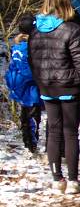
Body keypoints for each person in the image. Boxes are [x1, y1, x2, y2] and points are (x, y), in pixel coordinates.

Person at [28, 0, 80, 194]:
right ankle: (73, 180)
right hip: (69, 87)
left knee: (54, 132)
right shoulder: (72, 29)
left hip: (47, 88)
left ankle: (57, 179)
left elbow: (32, 62)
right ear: (66, 1)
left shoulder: (34, 31)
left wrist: (41, 83)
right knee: (69, 133)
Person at [5, 13, 42, 153]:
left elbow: (12, 68)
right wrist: (41, 78)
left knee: (25, 116)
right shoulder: (29, 48)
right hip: (29, 89)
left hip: (19, 86)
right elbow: (28, 71)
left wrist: (12, 84)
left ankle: (29, 143)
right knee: (32, 117)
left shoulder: (16, 47)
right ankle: (32, 145)